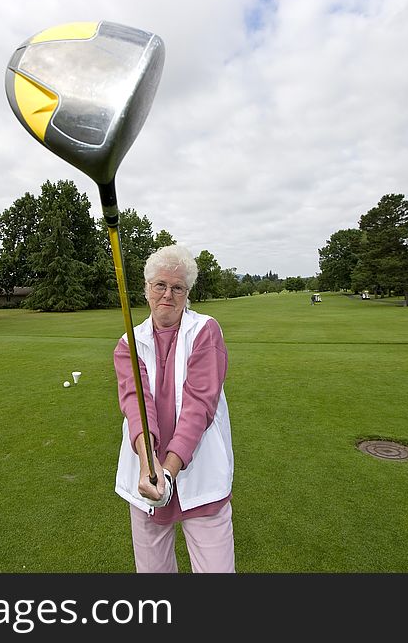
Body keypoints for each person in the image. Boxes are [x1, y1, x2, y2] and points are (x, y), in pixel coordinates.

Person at [113, 244, 235, 573]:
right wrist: (148, 462)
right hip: (146, 475)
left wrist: (168, 468)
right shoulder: (128, 343)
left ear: (187, 292)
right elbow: (136, 405)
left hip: (198, 474)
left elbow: (200, 405)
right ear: (147, 289)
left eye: (177, 287)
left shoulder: (205, 331)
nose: (168, 294)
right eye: (160, 285)